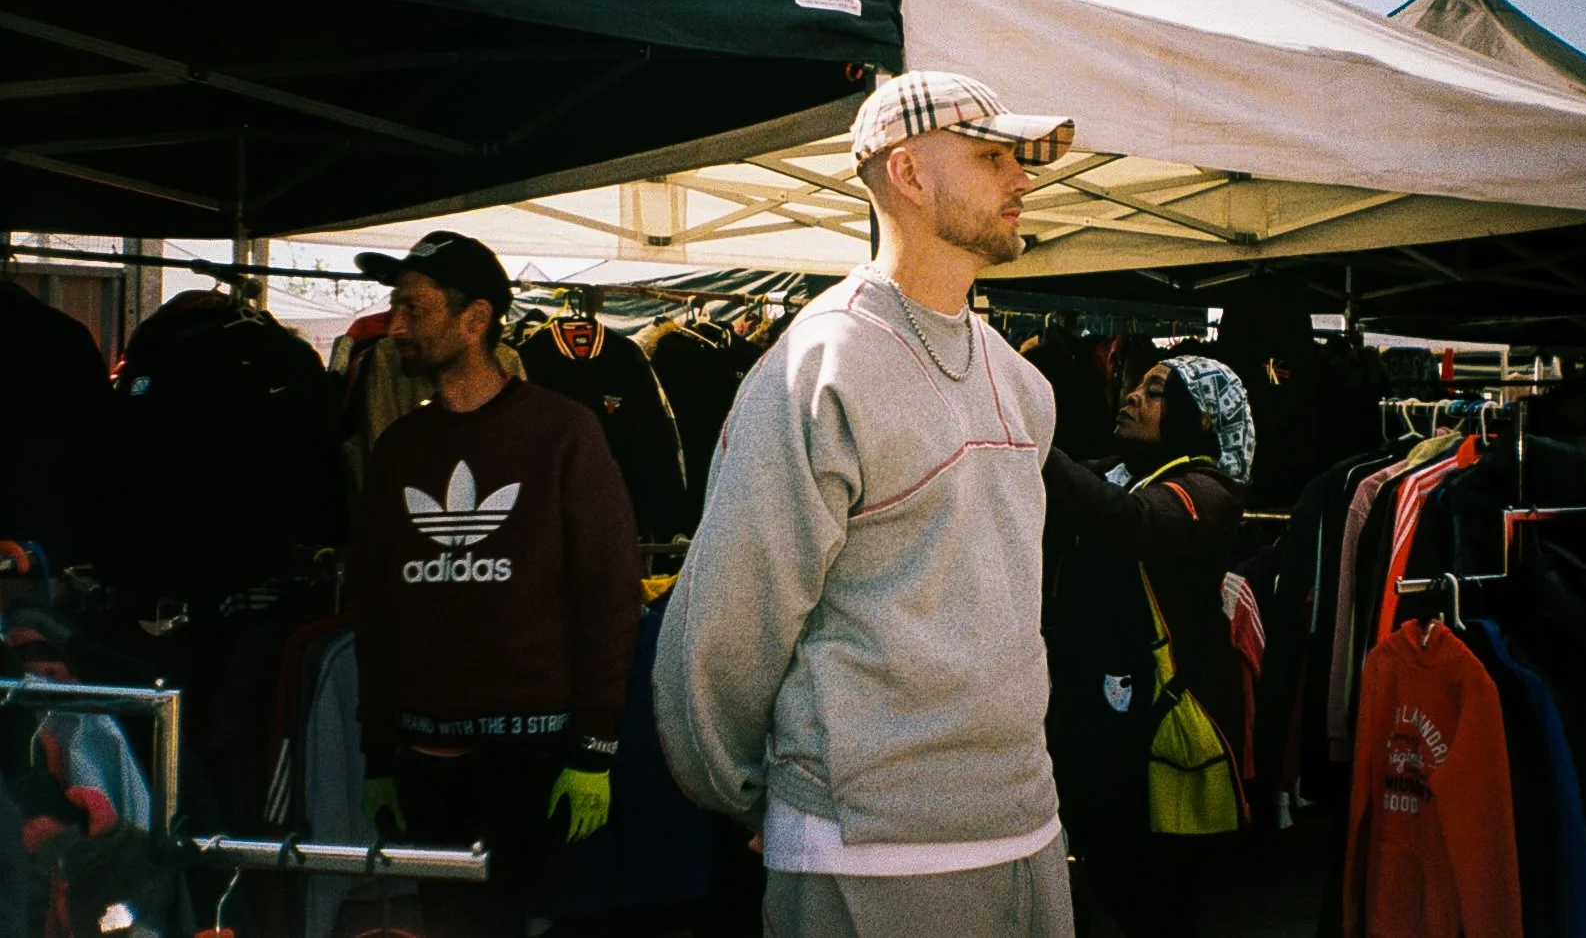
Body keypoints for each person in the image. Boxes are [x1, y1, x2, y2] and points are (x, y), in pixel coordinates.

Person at [653, 70, 1079, 938]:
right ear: (909, 174)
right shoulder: (821, 368)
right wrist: (753, 795)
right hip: (865, 847)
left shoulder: (1023, 385)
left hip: (1024, 822)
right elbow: (730, 618)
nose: (1022, 180)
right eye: (994, 156)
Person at [349, 232, 640, 938]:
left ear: (474, 318)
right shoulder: (398, 449)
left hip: (528, 755)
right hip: (422, 757)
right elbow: (376, 609)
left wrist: (594, 746)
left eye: (414, 309)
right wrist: (378, 749)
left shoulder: (562, 433)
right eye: (395, 308)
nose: (395, 328)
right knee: (443, 923)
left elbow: (609, 594)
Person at [1040, 356, 1255, 937]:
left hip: (1154, 727)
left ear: (1199, 420)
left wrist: (1030, 436)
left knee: (1150, 891)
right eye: (1135, 385)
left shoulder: (1209, 492)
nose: (1131, 397)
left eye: (1155, 392)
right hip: (1098, 718)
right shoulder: (1116, 471)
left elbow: (1132, 521)